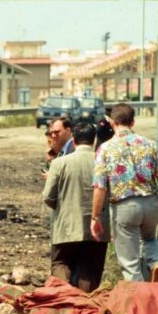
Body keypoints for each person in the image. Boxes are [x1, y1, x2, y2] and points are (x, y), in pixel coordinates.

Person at [91, 103, 158, 282]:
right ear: (133, 122)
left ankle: (138, 298)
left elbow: (100, 187)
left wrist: (95, 216)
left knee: (130, 262)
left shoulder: (106, 149)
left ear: (112, 122)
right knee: (149, 240)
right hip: (151, 202)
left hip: (125, 206)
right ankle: (155, 262)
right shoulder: (151, 145)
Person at [42, 123, 110, 292]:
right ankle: (85, 307)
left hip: (66, 226)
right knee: (89, 270)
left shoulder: (59, 163)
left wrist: (62, 209)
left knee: (60, 263)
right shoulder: (104, 162)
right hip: (98, 227)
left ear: (74, 140)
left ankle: (64, 303)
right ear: (94, 140)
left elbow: (48, 196)